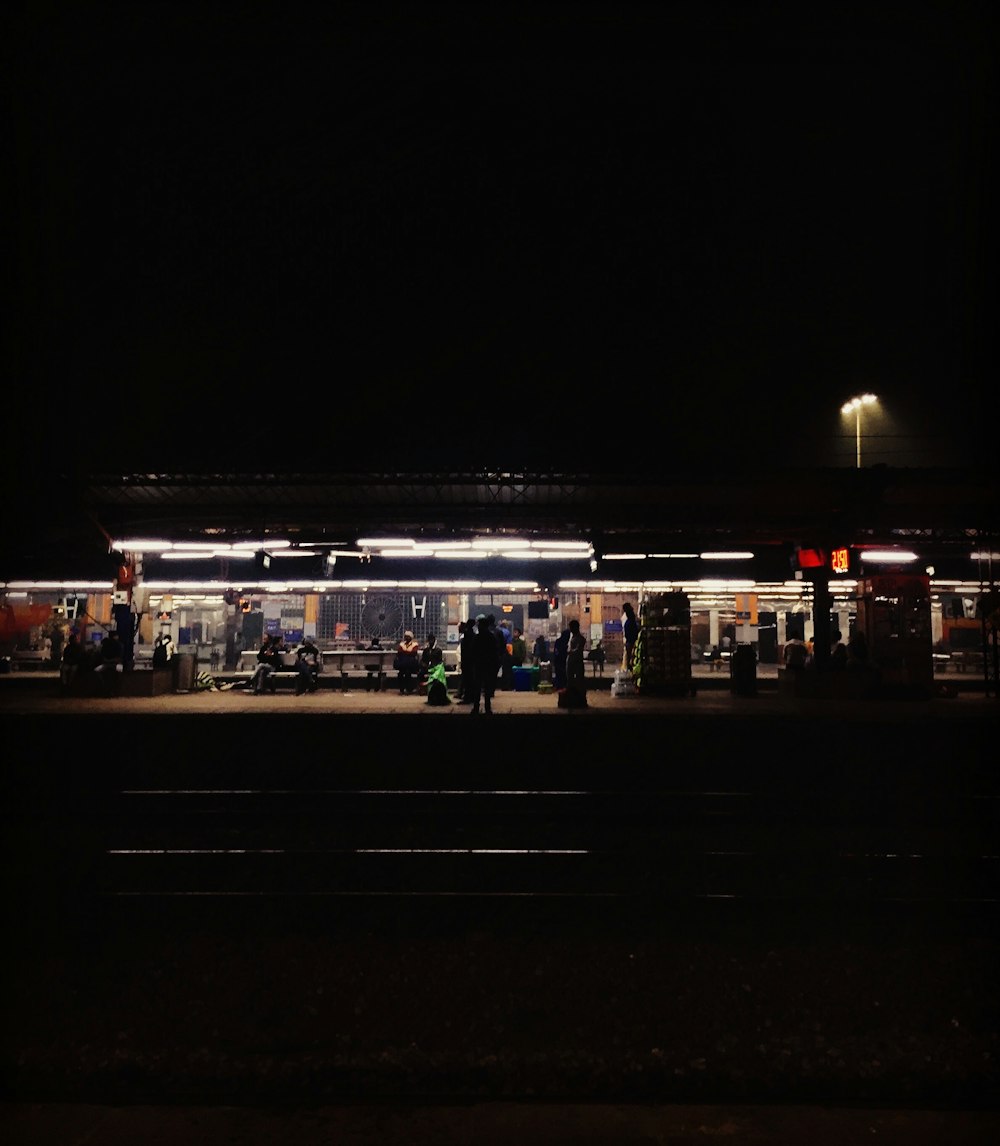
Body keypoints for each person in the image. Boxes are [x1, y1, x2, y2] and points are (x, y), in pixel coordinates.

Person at [468, 614, 500, 714]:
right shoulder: (491, 637)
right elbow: (495, 652)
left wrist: (473, 663)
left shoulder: (477, 638)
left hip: (479, 665)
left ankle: (476, 707)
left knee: (477, 687)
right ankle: (487, 708)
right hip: (488, 665)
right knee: (487, 688)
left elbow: (472, 651)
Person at [93, 628, 123, 694]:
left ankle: (104, 687)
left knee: (96, 672)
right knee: (119, 674)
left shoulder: (105, 645)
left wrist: (107, 660)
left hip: (106, 664)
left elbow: (102, 655)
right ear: (115, 636)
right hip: (116, 664)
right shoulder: (119, 645)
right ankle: (115, 689)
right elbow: (119, 657)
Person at [565, 617, 587, 703]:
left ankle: (579, 698)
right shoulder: (572, 637)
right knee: (570, 680)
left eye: (571, 627)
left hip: (576, 661)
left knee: (579, 681)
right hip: (571, 661)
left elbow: (577, 649)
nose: (570, 629)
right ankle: (572, 698)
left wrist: (570, 652)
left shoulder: (580, 639)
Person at [395, 630, 420, 695]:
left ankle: (408, 689)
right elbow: (399, 652)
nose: (406, 638)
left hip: (410, 665)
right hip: (403, 665)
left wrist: (404, 652)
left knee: (407, 673)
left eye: (407, 636)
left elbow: (414, 653)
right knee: (400, 674)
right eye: (405, 636)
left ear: (411, 637)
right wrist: (408, 653)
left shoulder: (415, 644)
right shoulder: (402, 644)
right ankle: (402, 690)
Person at [621, 602, 640, 672]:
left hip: (630, 642)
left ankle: (630, 670)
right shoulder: (630, 621)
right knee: (631, 659)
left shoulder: (627, 621)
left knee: (629, 659)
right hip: (631, 642)